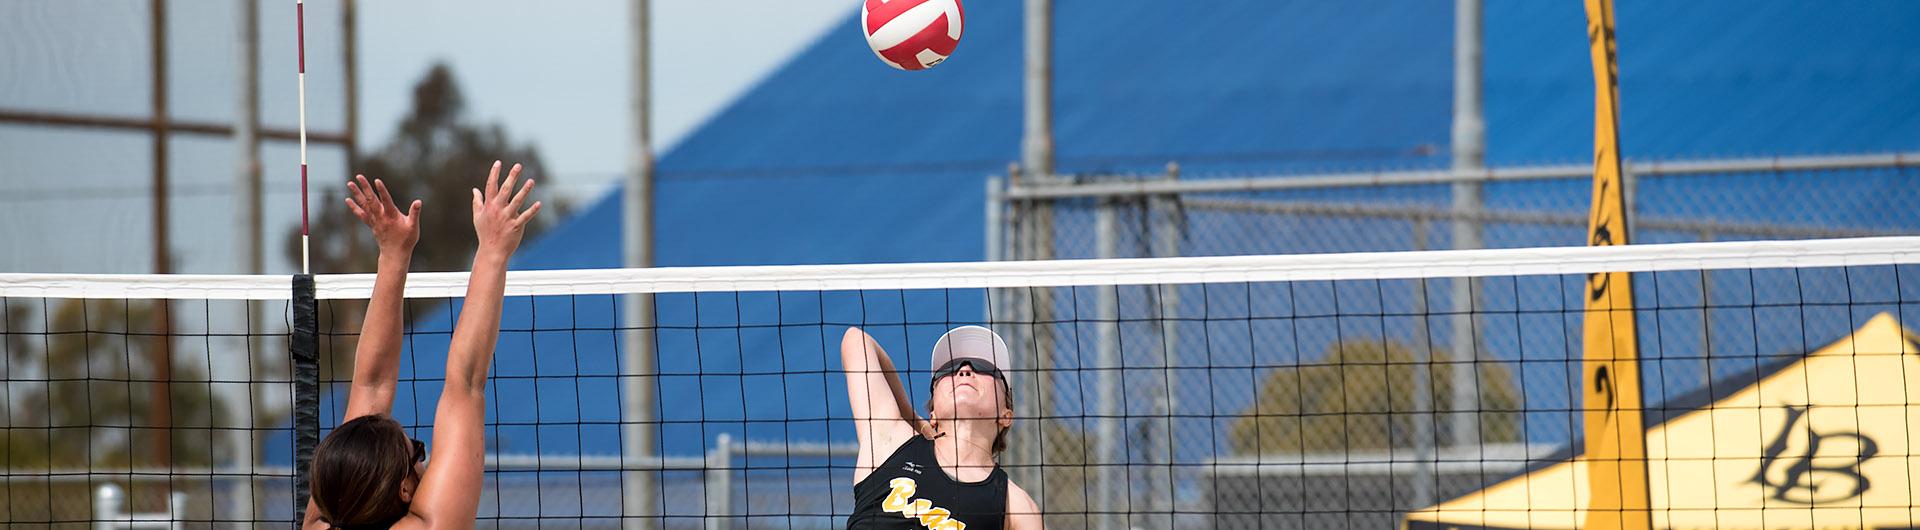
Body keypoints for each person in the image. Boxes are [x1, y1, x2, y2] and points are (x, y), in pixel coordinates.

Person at [301, 161, 542, 529]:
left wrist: (394, 254)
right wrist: (493, 249)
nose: (422, 452)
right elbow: (464, 383)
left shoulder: (323, 521)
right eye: (416, 450)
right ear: (403, 489)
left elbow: (372, 384)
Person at [842, 325, 1044, 529]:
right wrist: (917, 423)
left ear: (1006, 415)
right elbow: (856, 341)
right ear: (933, 413)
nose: (965, 370)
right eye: (949, 370)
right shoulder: (893, 443)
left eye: (984, 367)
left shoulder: (1017, 506)